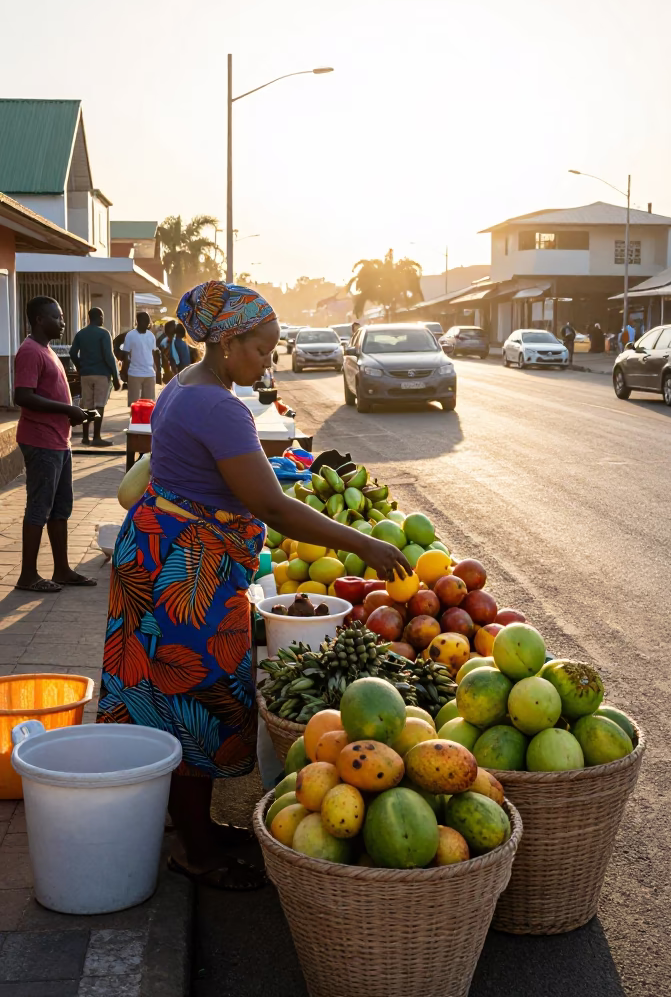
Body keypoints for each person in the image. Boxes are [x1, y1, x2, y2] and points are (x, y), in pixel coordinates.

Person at [97, 282, 409, 890]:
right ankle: (196, 851)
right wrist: (366, 544)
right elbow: (274, 506)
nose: (269, 360)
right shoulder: (218, 406)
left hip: (159, 551)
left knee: (157, 690)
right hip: (186, 569)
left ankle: (192, 828)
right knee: (191, 698)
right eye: (262, 349)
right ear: (227, 341)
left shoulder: (185, 383)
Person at [13, 296, 97, 593]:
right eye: (57, 317)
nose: (62, 322)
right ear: (39, 320)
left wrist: (75, 413)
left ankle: (62, 570)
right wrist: (66, 410)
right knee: (40, 507)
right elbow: (22, 396)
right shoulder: (29, 351)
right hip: (41, 441)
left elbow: (48, 394)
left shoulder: (46, 351)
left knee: (60, 508)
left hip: (59, 440)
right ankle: (28, 575)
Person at [70, 307, 121, 446]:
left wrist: (80, 367)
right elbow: (109, 356)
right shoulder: (104, 333)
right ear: (99, 317)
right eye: (102, 317)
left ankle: (86, 437)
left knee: (87, 405)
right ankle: (96, 437)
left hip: (86, 375)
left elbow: (72, 353)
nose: (103, 320)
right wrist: (115, 376)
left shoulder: (81, 334)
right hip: (101, 374)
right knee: (99, 405)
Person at [120, 312, 161, 405]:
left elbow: (154, 353)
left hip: (149, 374)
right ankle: (135, 420)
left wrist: (157, 371)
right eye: (144, 321)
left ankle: (145, 420)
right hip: (134, 374)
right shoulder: (130, 335)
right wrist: (124, 371)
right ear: (138, 321)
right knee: (134, 405)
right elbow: (125, 355)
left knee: (148, 405)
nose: (146, 324)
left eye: (147, 322)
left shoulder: (151, 336)